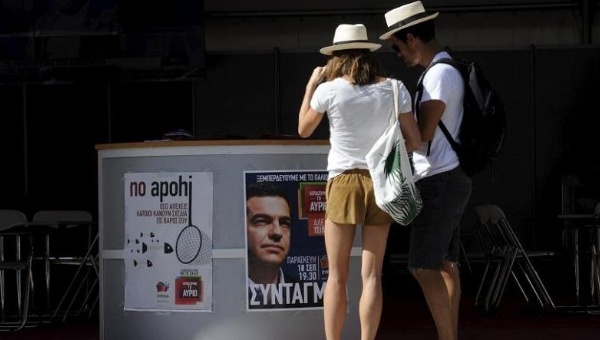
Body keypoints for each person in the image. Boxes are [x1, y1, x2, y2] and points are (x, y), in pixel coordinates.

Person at [298, 24, 421, 340]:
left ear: (336, 57)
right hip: (382, 181)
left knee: (336, 275)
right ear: (368, 54)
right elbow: (415, 140)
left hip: (343, 182)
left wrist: (312, 84)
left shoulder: (329, 90)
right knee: (372, 277)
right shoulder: (394, 88)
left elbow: (303, 129)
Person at [380, 2, 473, 339]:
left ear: (412, 37)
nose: (398, 53)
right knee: (447, 264)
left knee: (422, 265)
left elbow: (422, 136)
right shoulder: (445, 70)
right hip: (448, 176)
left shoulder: (438, 75)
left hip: (438, 179)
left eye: (397, 45)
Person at [245, 181, 301, 309]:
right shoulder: (227, 292)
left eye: (284, 223)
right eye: (262, 221)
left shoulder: (312, 295)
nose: (277, 232)